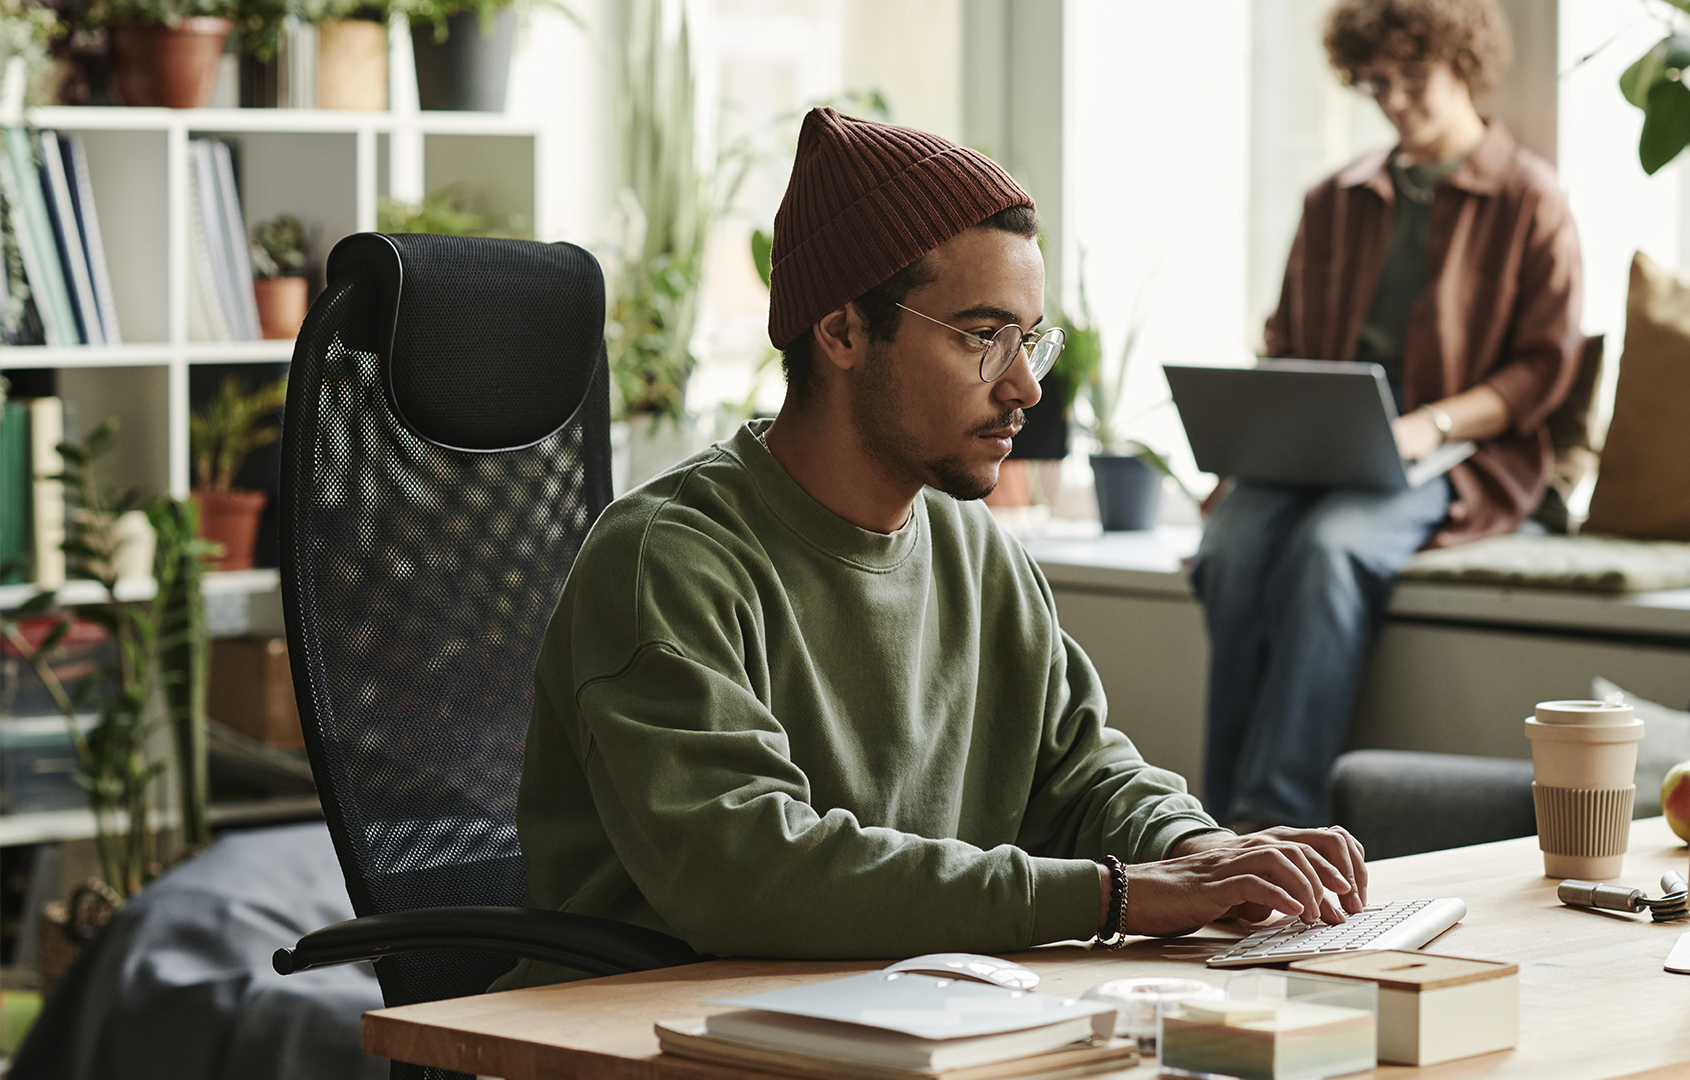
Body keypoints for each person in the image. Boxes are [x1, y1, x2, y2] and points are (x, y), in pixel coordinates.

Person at [498, 108, 1370, 989]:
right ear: (841, 331)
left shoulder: (972, 546)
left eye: (1029, 339)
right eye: (984, 337)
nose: (1026, 384)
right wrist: (1117, 897)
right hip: (646, 1033)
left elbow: (1078, 771)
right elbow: (750, 874)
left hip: (886, 1016)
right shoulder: (669, 559)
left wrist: (1205, 854)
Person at [1192, 0, 1583, 830]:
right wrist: (1261, 434)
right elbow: (1287, 340)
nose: (1396, 101)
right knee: (1230, 544)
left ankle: (1274, 821)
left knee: (1333, 548)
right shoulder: (1334, 197)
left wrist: (1431, 424)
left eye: (1414, 79)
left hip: (1455, 448)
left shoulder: (1529, 197)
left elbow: (1543, 370)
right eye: (1377, 84)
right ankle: (1209, 824)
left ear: (1464, 66)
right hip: (1321, 434)